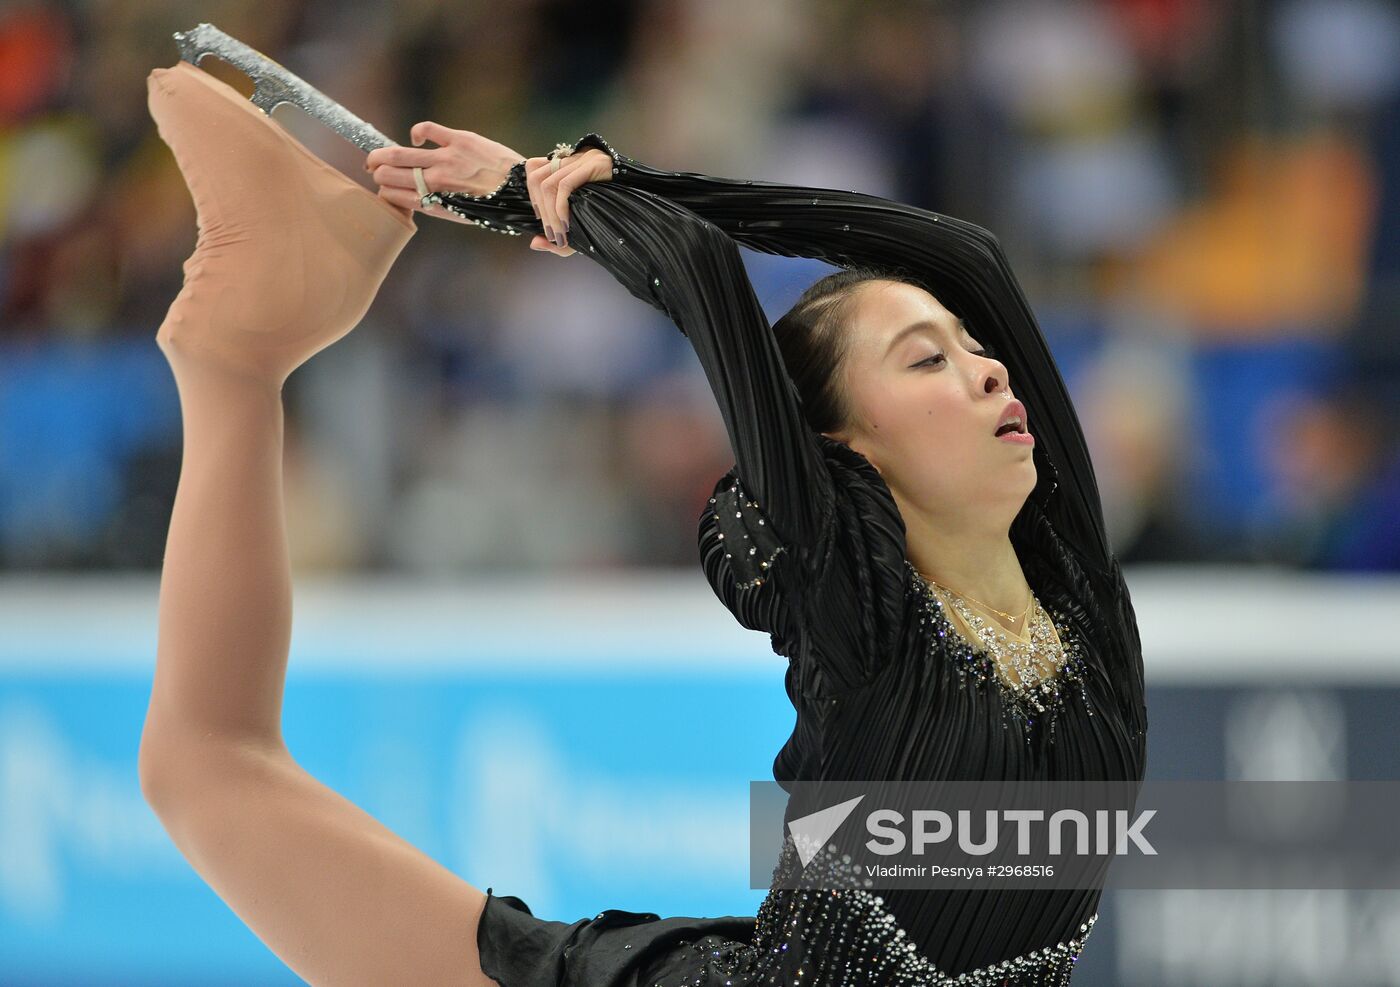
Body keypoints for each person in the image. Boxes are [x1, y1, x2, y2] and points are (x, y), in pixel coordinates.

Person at [140, 55, 1145, 987]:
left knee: (212, 772)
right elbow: (702, 270)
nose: (988, 367)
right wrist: (558, 194)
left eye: (970, 350)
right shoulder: (860, 608)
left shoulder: (1080, 604)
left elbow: (960, 253)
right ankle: (235, 354)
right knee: (206, 768)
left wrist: (550, 192)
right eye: (927, 360)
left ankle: (264, 312)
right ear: (847, 454)